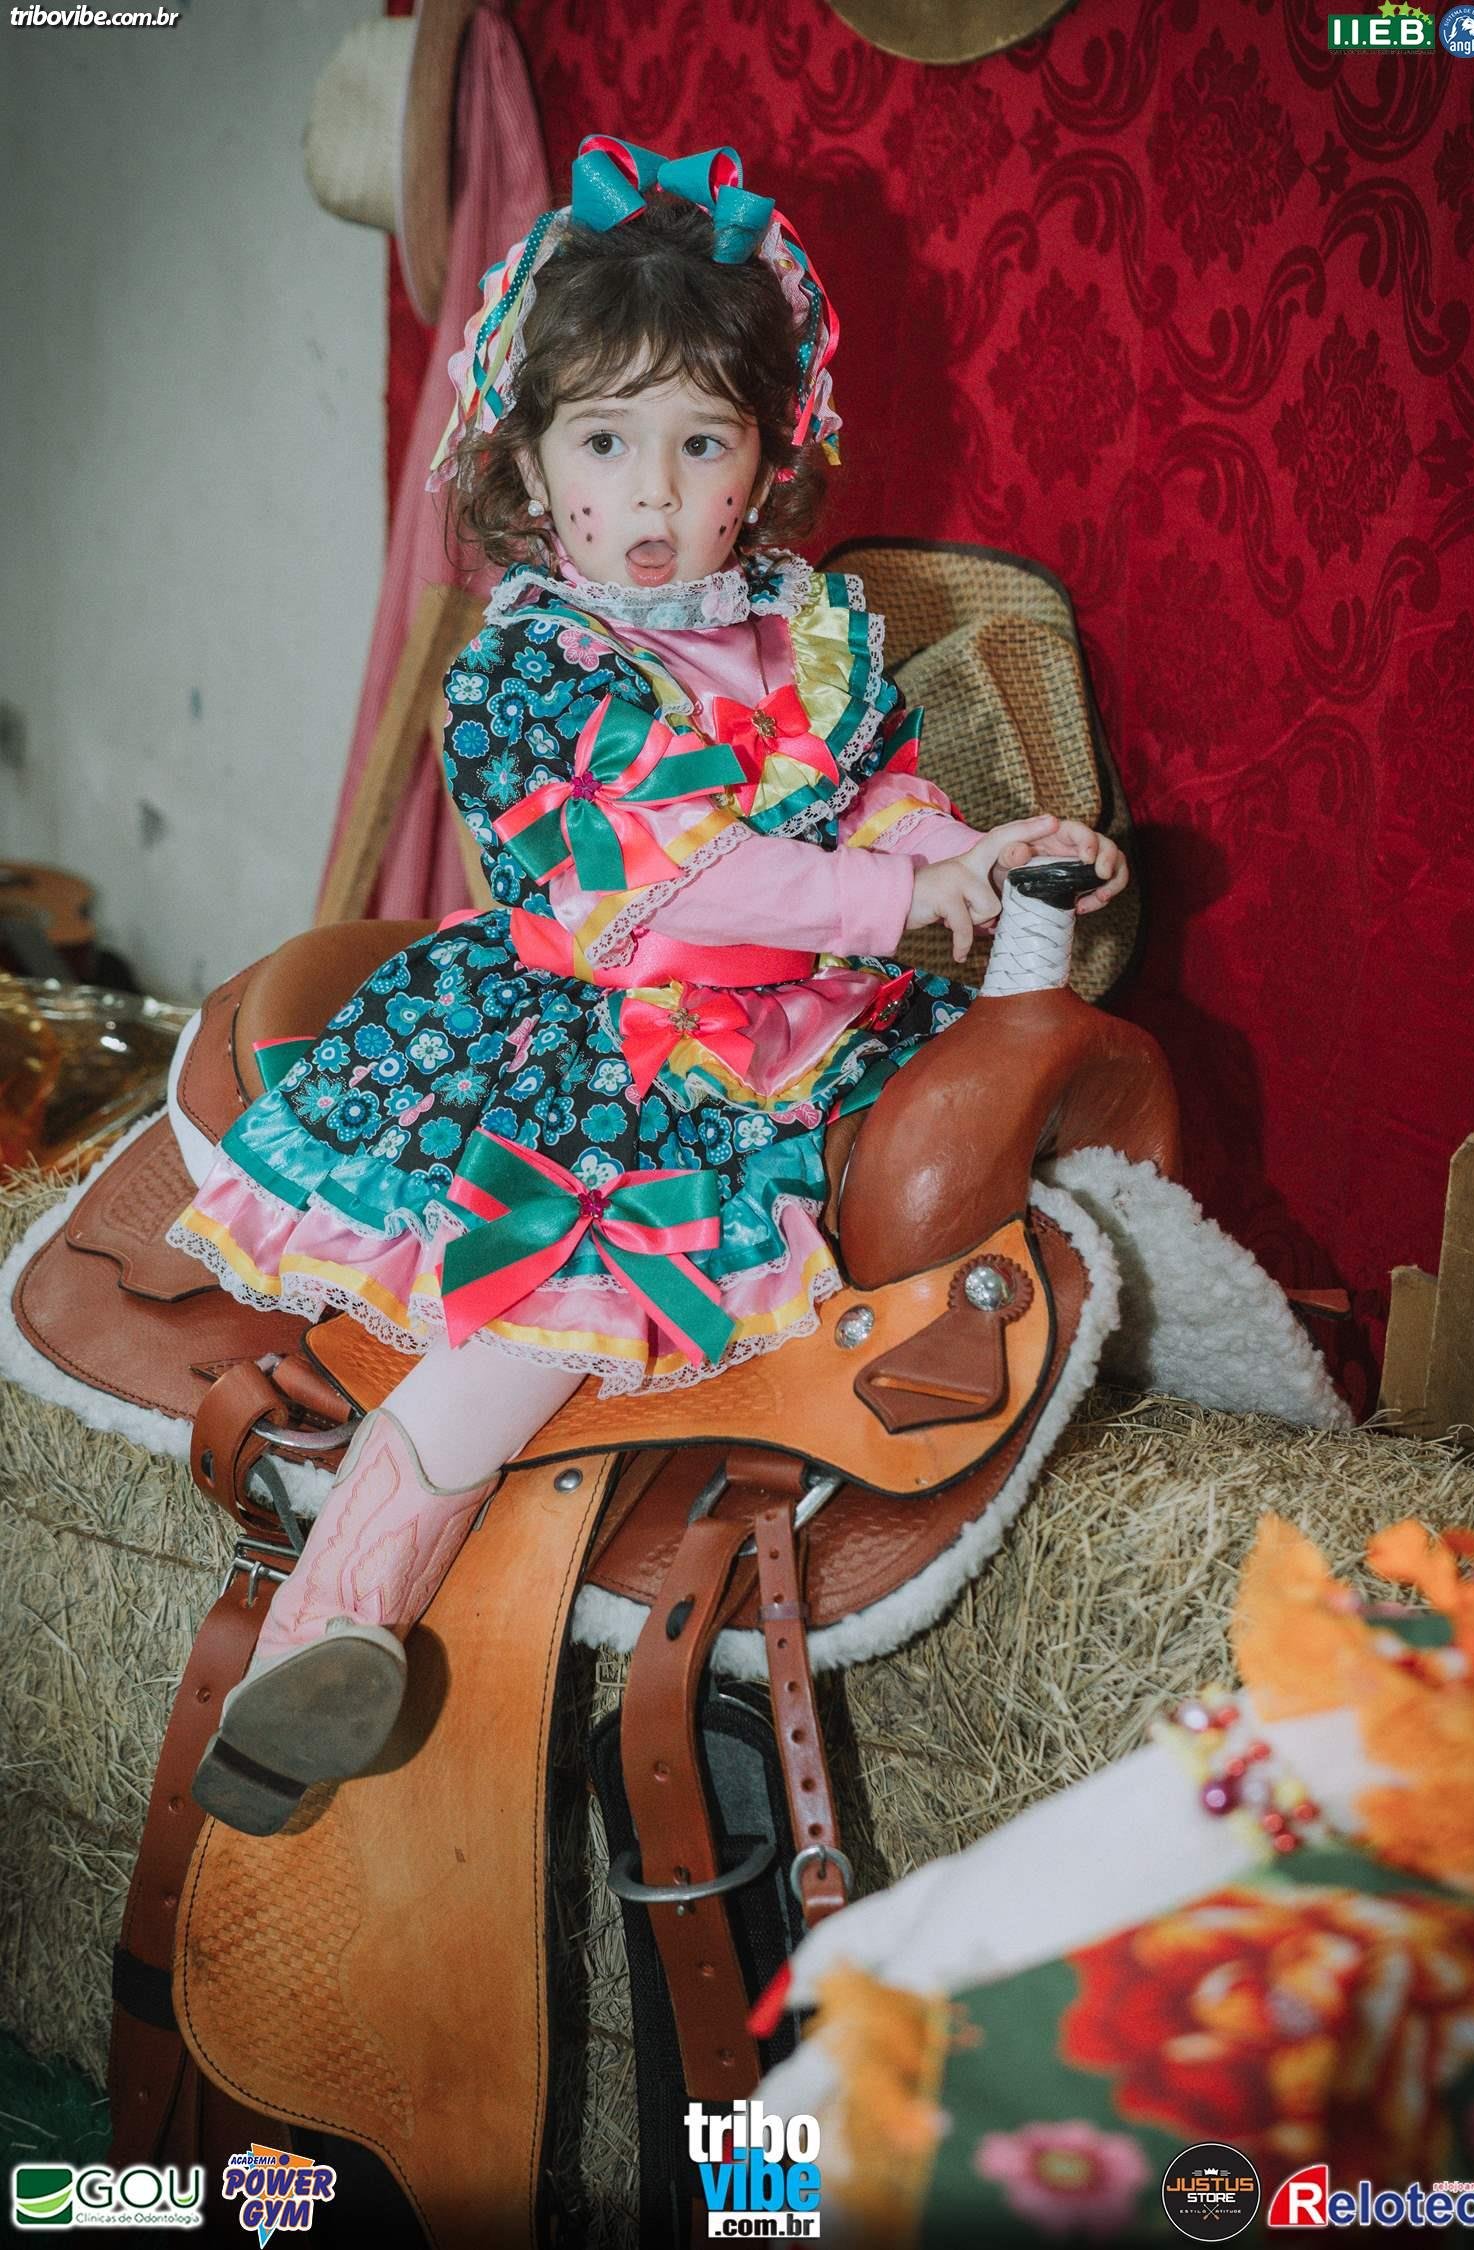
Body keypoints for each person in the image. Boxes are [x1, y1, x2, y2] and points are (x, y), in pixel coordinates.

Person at [168, 133, 1128, 1836]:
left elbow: (871, 794)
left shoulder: (802, 627)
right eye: (607, 442)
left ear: (766, 456)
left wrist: (975, 855)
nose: (658, 494)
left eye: (704, 442)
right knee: (540, 1309)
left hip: (801, 1024)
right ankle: (327, 1628)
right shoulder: (538, 669)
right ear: (532, 467)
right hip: (601, 1039)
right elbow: (691, 879)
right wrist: (903, 896)